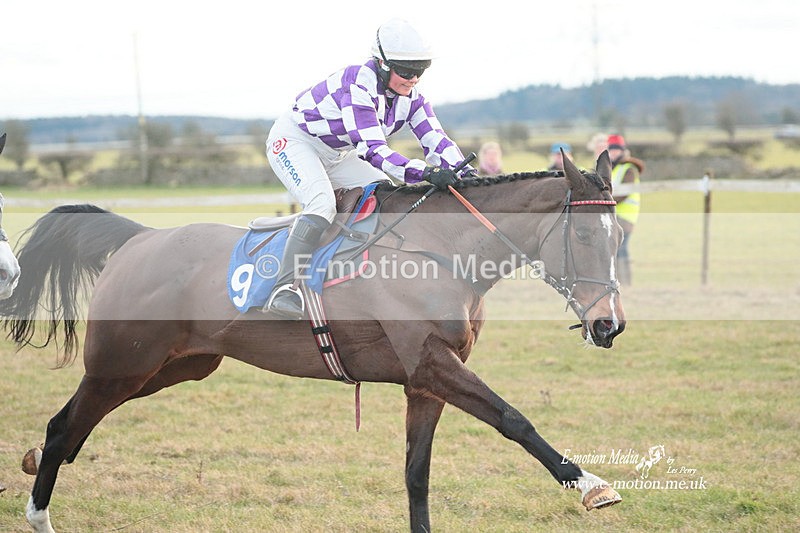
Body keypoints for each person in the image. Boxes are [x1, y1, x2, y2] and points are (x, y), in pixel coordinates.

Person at [264, 18, 475, 319]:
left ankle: (362, 274)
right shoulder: (357, 84)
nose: (413, 79)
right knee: (322, 203)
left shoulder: (411, 98)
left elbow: (436, 140)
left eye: (420, 71)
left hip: (339, 152)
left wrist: (466, 175)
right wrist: (426, 173)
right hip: (295, 141)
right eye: (405, 71)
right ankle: (283, 287)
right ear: (381, 63)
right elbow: (373, 150)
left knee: (386, 193)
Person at [607, 134, 644, 286]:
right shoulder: (612, 168)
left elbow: (624, 194)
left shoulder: (628, 169)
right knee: (615, 248)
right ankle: (617, 281)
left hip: (625, 216)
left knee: (621, 248)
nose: (614, 153)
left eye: (617, 149)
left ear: (623, 150)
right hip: (615, 215)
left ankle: (625, 282)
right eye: (612, 149)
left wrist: (604, 202)